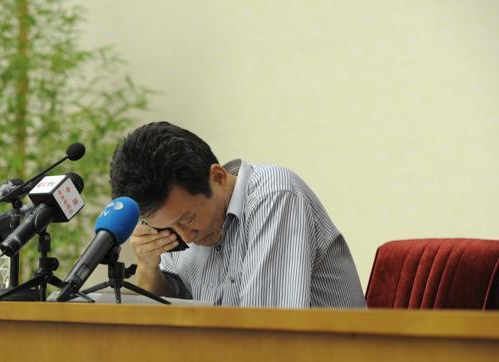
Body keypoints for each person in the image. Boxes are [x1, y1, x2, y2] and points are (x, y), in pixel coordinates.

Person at [109, 121, 365, 308]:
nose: (185, 236)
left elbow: (266, 331)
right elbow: (164, 319)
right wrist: (149, 269)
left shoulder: (274, 196)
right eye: (168, 228)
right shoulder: (178, 228)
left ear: (218, 177)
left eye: (187, 219)